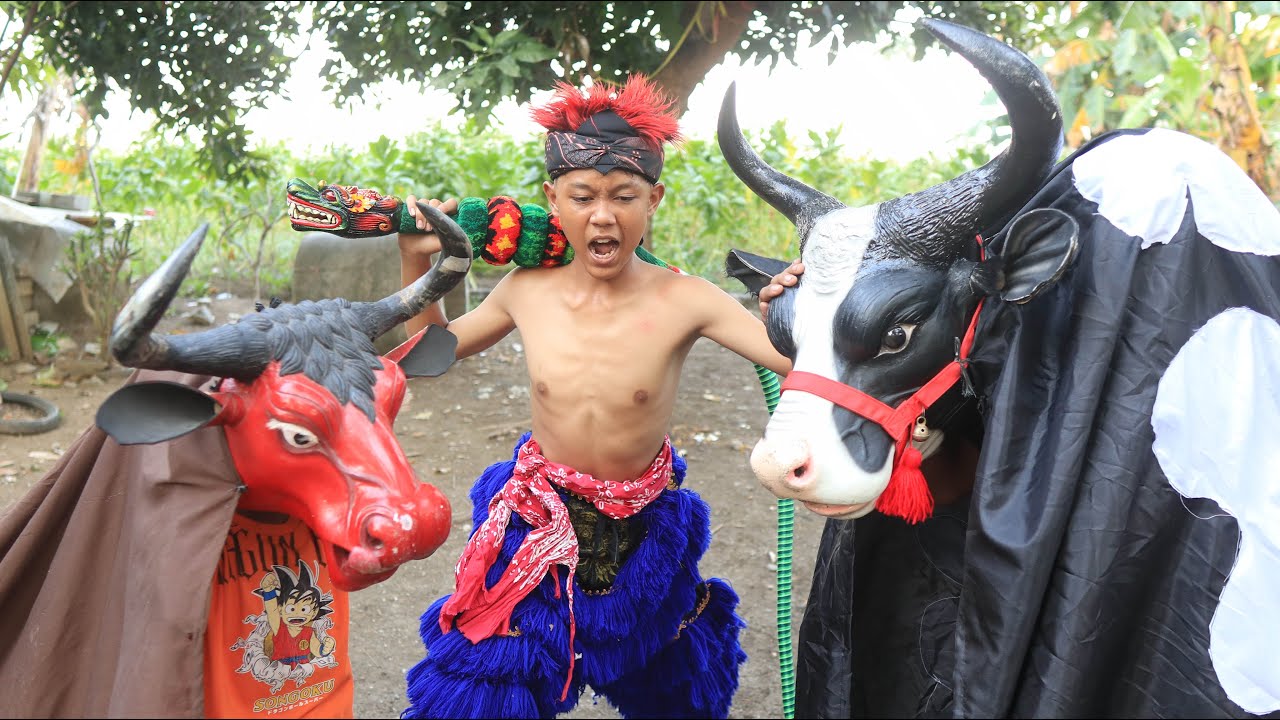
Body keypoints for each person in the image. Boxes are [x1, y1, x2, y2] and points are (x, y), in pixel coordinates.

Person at [394, 75, 791, 719]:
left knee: (674, 691)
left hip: (644, 531)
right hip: (536, 524)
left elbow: (794, 362)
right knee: (486, 693)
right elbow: (430, 356)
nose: (601, 215)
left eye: (622, 196)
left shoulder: (686, 299)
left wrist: (797, 305)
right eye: (582, 196)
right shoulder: (527, 289)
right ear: (553, 199)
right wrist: (421, 265)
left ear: (654, 199)